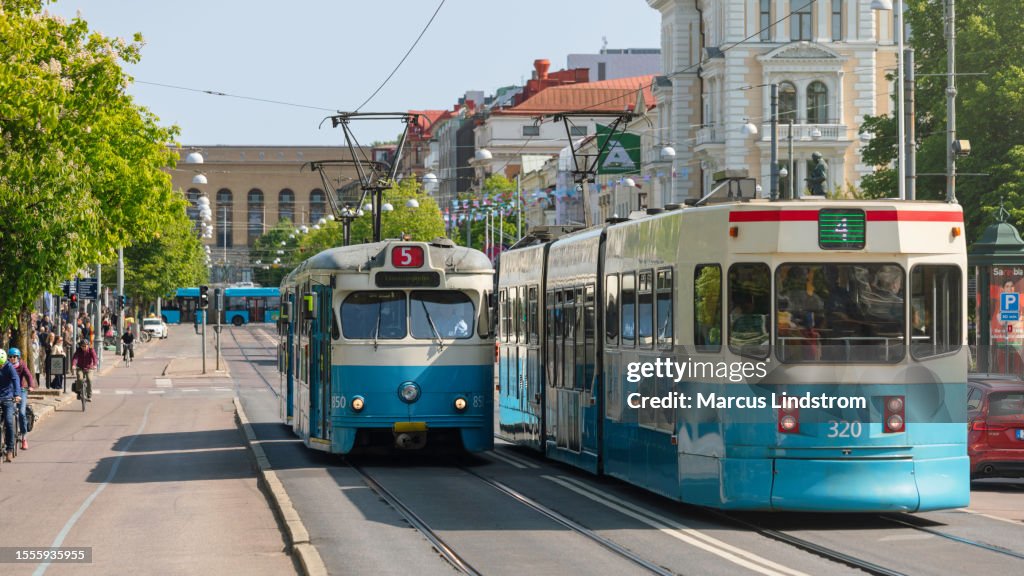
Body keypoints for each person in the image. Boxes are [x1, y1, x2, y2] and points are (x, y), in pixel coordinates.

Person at [8, 348, 34, 451]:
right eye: (10, 357)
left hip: (22, 390)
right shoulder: (6, 366)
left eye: (14, 357)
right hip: (10, 391)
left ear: (18, 357)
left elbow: (29, 376)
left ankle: (24, 437)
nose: (12, 359)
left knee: (22, 413)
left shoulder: (22, 365)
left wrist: (31, 386)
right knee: (9, 412)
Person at [0, 349, 21, 462]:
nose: (0, 366)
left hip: (8, 398)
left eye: (1, 364)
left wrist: (17, 394)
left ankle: (9, 449)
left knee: (8, 422)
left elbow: (15, 380)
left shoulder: (9, 367)